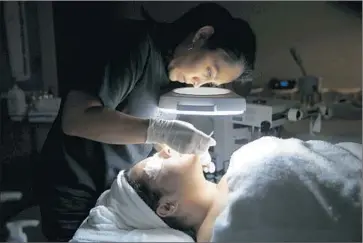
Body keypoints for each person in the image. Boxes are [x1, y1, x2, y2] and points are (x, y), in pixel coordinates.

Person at [35, 2, 257, 241]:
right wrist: (160, 131)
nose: (197, 83)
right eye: (209, 72)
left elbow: (134, 128)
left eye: (210, 83)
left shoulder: (173, 75)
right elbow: (76, 119)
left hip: (119, 199)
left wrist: (168, 146)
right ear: (201, 36)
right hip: (75, 194)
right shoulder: (133, 43)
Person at [71, 137, 362, 242]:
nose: (166, 149)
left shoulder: (239, 163)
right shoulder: (223, 232)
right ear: (167, 207)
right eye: (157, 161)